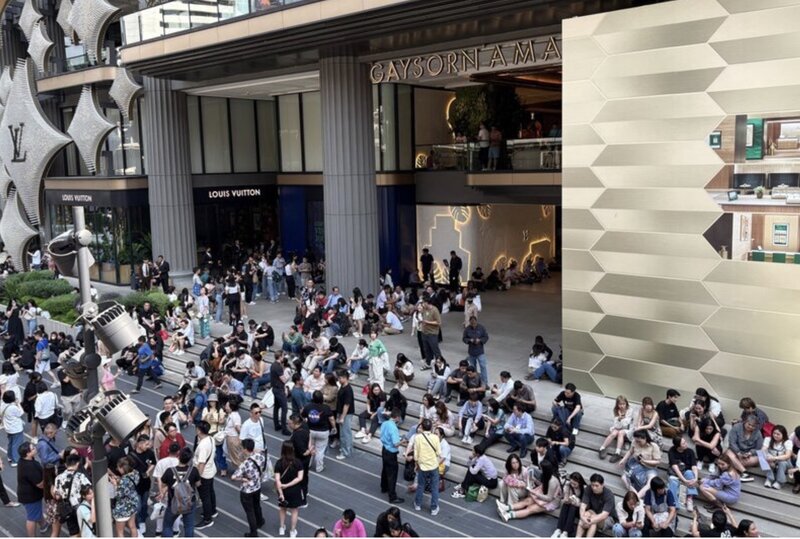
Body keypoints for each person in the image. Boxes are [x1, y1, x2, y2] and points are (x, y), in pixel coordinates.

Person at [497, 459, 561, 522]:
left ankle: (508, 515)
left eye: (541, 468)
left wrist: (535, 493)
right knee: (526, 501)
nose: (539, 470)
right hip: (544, 494)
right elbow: (543, 486)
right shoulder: (546, 476)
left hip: (552, 501)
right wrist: (533, 481)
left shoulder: (552, 481)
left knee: (530, 509)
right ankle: (506, 508)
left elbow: (549, 498)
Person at [161, 448, 201, 538]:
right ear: (190, 459)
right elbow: (198, 484)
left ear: (178, 456)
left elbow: (164, 483)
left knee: (167, 526)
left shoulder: (169, 471)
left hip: (174, 502)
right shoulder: (193, 470)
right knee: (189, 526)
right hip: (189, 502)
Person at [232, 438, 267, 537]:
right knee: (257, 505)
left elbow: (233, 477)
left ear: (245, 449)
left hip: (247, 490)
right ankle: (260, 521)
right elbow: (260, 452)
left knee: (249, 511)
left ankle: (253, 532)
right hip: (257, 486)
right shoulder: (260, 456)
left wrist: (243, 479)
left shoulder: (245, 464)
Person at [54, 453, 91, 538]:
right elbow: (89, 490)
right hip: (81, 507)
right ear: (77, 464)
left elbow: (57, 495)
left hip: (67, 509)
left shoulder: (58, 478)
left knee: (73, 532)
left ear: (66, 464)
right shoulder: (80, 476)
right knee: (85, 529)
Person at [618, 429, 661, 499]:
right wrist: (623, 460)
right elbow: (630, 452)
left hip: (649, 467)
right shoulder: (634, 442)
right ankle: (634, 493)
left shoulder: (654, 446)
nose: (637, 443)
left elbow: (657, 461)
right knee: (624, 478)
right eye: (636, 441)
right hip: (636, 464)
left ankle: (637, 497)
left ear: (645, 438)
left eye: (639, 441)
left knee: (651, 482)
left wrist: (645, 461)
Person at [275, 440, 304, 538]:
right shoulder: (298, 462)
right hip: (295, 490)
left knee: (282, 509)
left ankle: (282, 527)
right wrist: (288, 485)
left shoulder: (279, 463)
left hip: (282, 490)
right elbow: (300, 478)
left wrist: (281, 493)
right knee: (294, 511)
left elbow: (277, 480)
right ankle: (292, 531)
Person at [128, 434, 156, 535]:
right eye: (146, 444)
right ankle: (138, 523)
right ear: (139, 444)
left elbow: (153, 463)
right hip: (135, 485)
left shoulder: (150, 453)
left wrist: (148, 471)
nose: (148, 446)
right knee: (138, 506)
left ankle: (143, 520)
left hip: (146, 483)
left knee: (144, 504)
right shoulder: (131, 456)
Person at [302, 391, 336, 473]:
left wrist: (306, 422)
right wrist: (334, 427)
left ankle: (307, 464)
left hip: (310, 431)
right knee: (320, 450)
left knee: (310, 447)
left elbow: (303, 416)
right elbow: (331, 419)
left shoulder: (308, 407)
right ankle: (319, 467)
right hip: (323, 432)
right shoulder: (326, 407)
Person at [413, 418, 441, 515]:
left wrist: (416, 463)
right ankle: (434, 508)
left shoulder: (418, 438)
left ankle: (418, 504)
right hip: (433, 465)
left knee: (421, 485)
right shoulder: (436, 438)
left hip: (422, 465)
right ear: (431, 427)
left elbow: (416, 454)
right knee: (434, 487)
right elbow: (438, 452)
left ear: (422, 427)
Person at [18, 442, 45, 537]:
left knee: (36, 511)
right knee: (31, 518)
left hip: (28, 495)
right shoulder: (29, 467)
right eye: (33, 448)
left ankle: (43, 525)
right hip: (31, 497)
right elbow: (40, 485)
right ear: (27, 454)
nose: (35, 448)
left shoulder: (23, 460)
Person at [576, 474, 616, 538]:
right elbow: (583, 505)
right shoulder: (588, 489)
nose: (594, 488)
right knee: (585, 514)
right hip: (593, 512)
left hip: (607, 518)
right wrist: (582, 517)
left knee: (593, 520)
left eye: (597, 486)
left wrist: (590, 521)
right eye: (592, 485)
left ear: (602, 485)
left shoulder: (609, 495)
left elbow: (604, 515)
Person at [194, 420, 217, 530]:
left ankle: (207, 519)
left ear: (199, 430)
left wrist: (197, 478)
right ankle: (213, 510)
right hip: (211, 470)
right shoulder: (211, 439)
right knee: (210, 492)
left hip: (204, 474)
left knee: (205, 497)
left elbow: (201, 463)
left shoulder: (203, 445)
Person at [725, 415, 763, 482]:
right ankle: (744, 472)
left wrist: (750, 453)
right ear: (745, 422)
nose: (750, 427)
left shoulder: (758, 433)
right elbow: (732, 442)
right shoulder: (736, 427)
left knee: (759, 458)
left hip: (748, 455)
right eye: (749, 424)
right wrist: (738, 453)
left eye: (753, 426)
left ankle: (733, 469)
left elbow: (758, 448)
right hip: (735, 452)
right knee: (728, 453)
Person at [109, 457, 140, 538]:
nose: (117, 469)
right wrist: (120, 480)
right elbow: (128, 486)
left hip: (122, 508)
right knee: (132, 526)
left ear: (123, 467)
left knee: (120, 532)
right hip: (132, 503)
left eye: (118, 467)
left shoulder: (124, 480)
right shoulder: (135, 473)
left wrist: (115, 484)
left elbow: (119, 495)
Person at [380, 409, 405, 505]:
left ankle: (384, 487)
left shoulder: (385, 423)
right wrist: (402, 441)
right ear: (397, 417)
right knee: (392, 474)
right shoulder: (393, 427)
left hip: (385, 448)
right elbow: (395, 443)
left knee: (385, 469)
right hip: (391, 452)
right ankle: (392, 496)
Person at [667, 436, 699, 512]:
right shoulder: (671, 451)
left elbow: (694, 466)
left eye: (685, 442)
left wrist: (696, 478)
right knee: (672, 481)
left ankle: (689, 499)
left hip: (686, 473)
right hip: (675, 473)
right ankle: (674, 503)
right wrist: (683, 480)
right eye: (683, 443)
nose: (686, 444)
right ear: (678, 446)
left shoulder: (690, 451)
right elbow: (675, 468)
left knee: (690, 473)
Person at [599, 395, 633, 463]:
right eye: (620, 404)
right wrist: (619, 418)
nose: (622, 406)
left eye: (623, 404)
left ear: (626, 404)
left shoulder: (630, 410)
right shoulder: (616, 410)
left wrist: (620, 419)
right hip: (619, 427)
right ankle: (602, 448)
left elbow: (626, 424)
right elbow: (616, 425)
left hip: (628, 429)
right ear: (617, 404)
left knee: (620, 433)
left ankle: (617, 453)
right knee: (614, 433)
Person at [554, 472, 587, 538]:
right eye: (571, 483)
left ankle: (566, 532)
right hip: (571, 504)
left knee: (573, 507)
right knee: (565, 505)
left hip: (581, 508)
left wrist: (577, 503)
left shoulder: (585, 488)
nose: (572, 485)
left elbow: (585, 504)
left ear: (579, 482)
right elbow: (565, 496)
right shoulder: (568, 485)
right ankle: (559, 529)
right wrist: (567, 500)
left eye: (574, 484)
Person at [288, 415, 312, 505]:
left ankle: (302, 499)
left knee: (299, 479)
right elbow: (310, 436)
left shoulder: (297, 436)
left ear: (295, 424)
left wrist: (309, 450)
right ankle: (305, 491)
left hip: (300, 461)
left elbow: (304, 452)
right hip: (305, 460)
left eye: (290, 423)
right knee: (305, 477)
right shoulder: (304, 425)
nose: (288, 425)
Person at [762, 424, 792, 489]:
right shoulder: (768, 439)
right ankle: (770, 479)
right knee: (762, 456)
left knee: (782, 462)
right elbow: (763, 450)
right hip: (771, 460)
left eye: (778, 434)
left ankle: (780, 482)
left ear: (783, 435)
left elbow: (787, 456)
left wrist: (774, 458)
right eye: (774, 433)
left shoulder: (788, 442)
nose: (775, 435)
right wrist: (769, 458)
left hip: (785, 462)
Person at [462, 316, 489, 387]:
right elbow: (464, 338)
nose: (473, 324)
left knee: (483, 366)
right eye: (472, 323)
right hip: (471, 352)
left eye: (474, 323)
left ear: (476, 321)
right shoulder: (467, 329)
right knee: (473, 368)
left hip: (480, 351)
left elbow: (486, 337)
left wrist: (480, 340)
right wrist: (469, 340)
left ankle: (484, 382)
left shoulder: (481, 328)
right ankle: (475, 382)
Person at [1, 390, 25, 466]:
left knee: (11, 443)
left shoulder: (2, 404)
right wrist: (18, 403)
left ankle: (10, 456)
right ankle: (15, 460)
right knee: (16, 444)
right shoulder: (12, 407)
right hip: (16, 428)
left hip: (8, 428)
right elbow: (21, 413)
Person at [335, 370, 355, 460]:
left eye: (340, 378)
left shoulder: (348, 390)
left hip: (346, 414)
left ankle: (346, 452)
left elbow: (346, 405)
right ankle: (347, 449)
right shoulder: (343, 387)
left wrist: (342, 417)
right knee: (344, 433)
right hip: (342, 413)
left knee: (345, 433)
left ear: (345, 378)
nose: (339, 379)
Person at [418, 297, 441, 370]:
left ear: (427, 303)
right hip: (424, 332)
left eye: (424, 303)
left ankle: (439, 364)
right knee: (426, 349)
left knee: (435, 349)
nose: (423, 304)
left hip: (432, 333)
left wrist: (427, 322)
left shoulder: (434, 310)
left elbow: (438, 322)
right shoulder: (424, 309)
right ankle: (428, 363)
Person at [271, 351, 291, 436]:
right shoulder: (278, 367)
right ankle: (284, 429)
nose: (283, 357)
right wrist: (289, 376)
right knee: (284, 408)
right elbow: (284, 380)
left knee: (276, 407)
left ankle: (276, 425)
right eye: (282, 356)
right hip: (279, 389)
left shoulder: (273, 365)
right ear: (280, 357)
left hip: (275, 388)